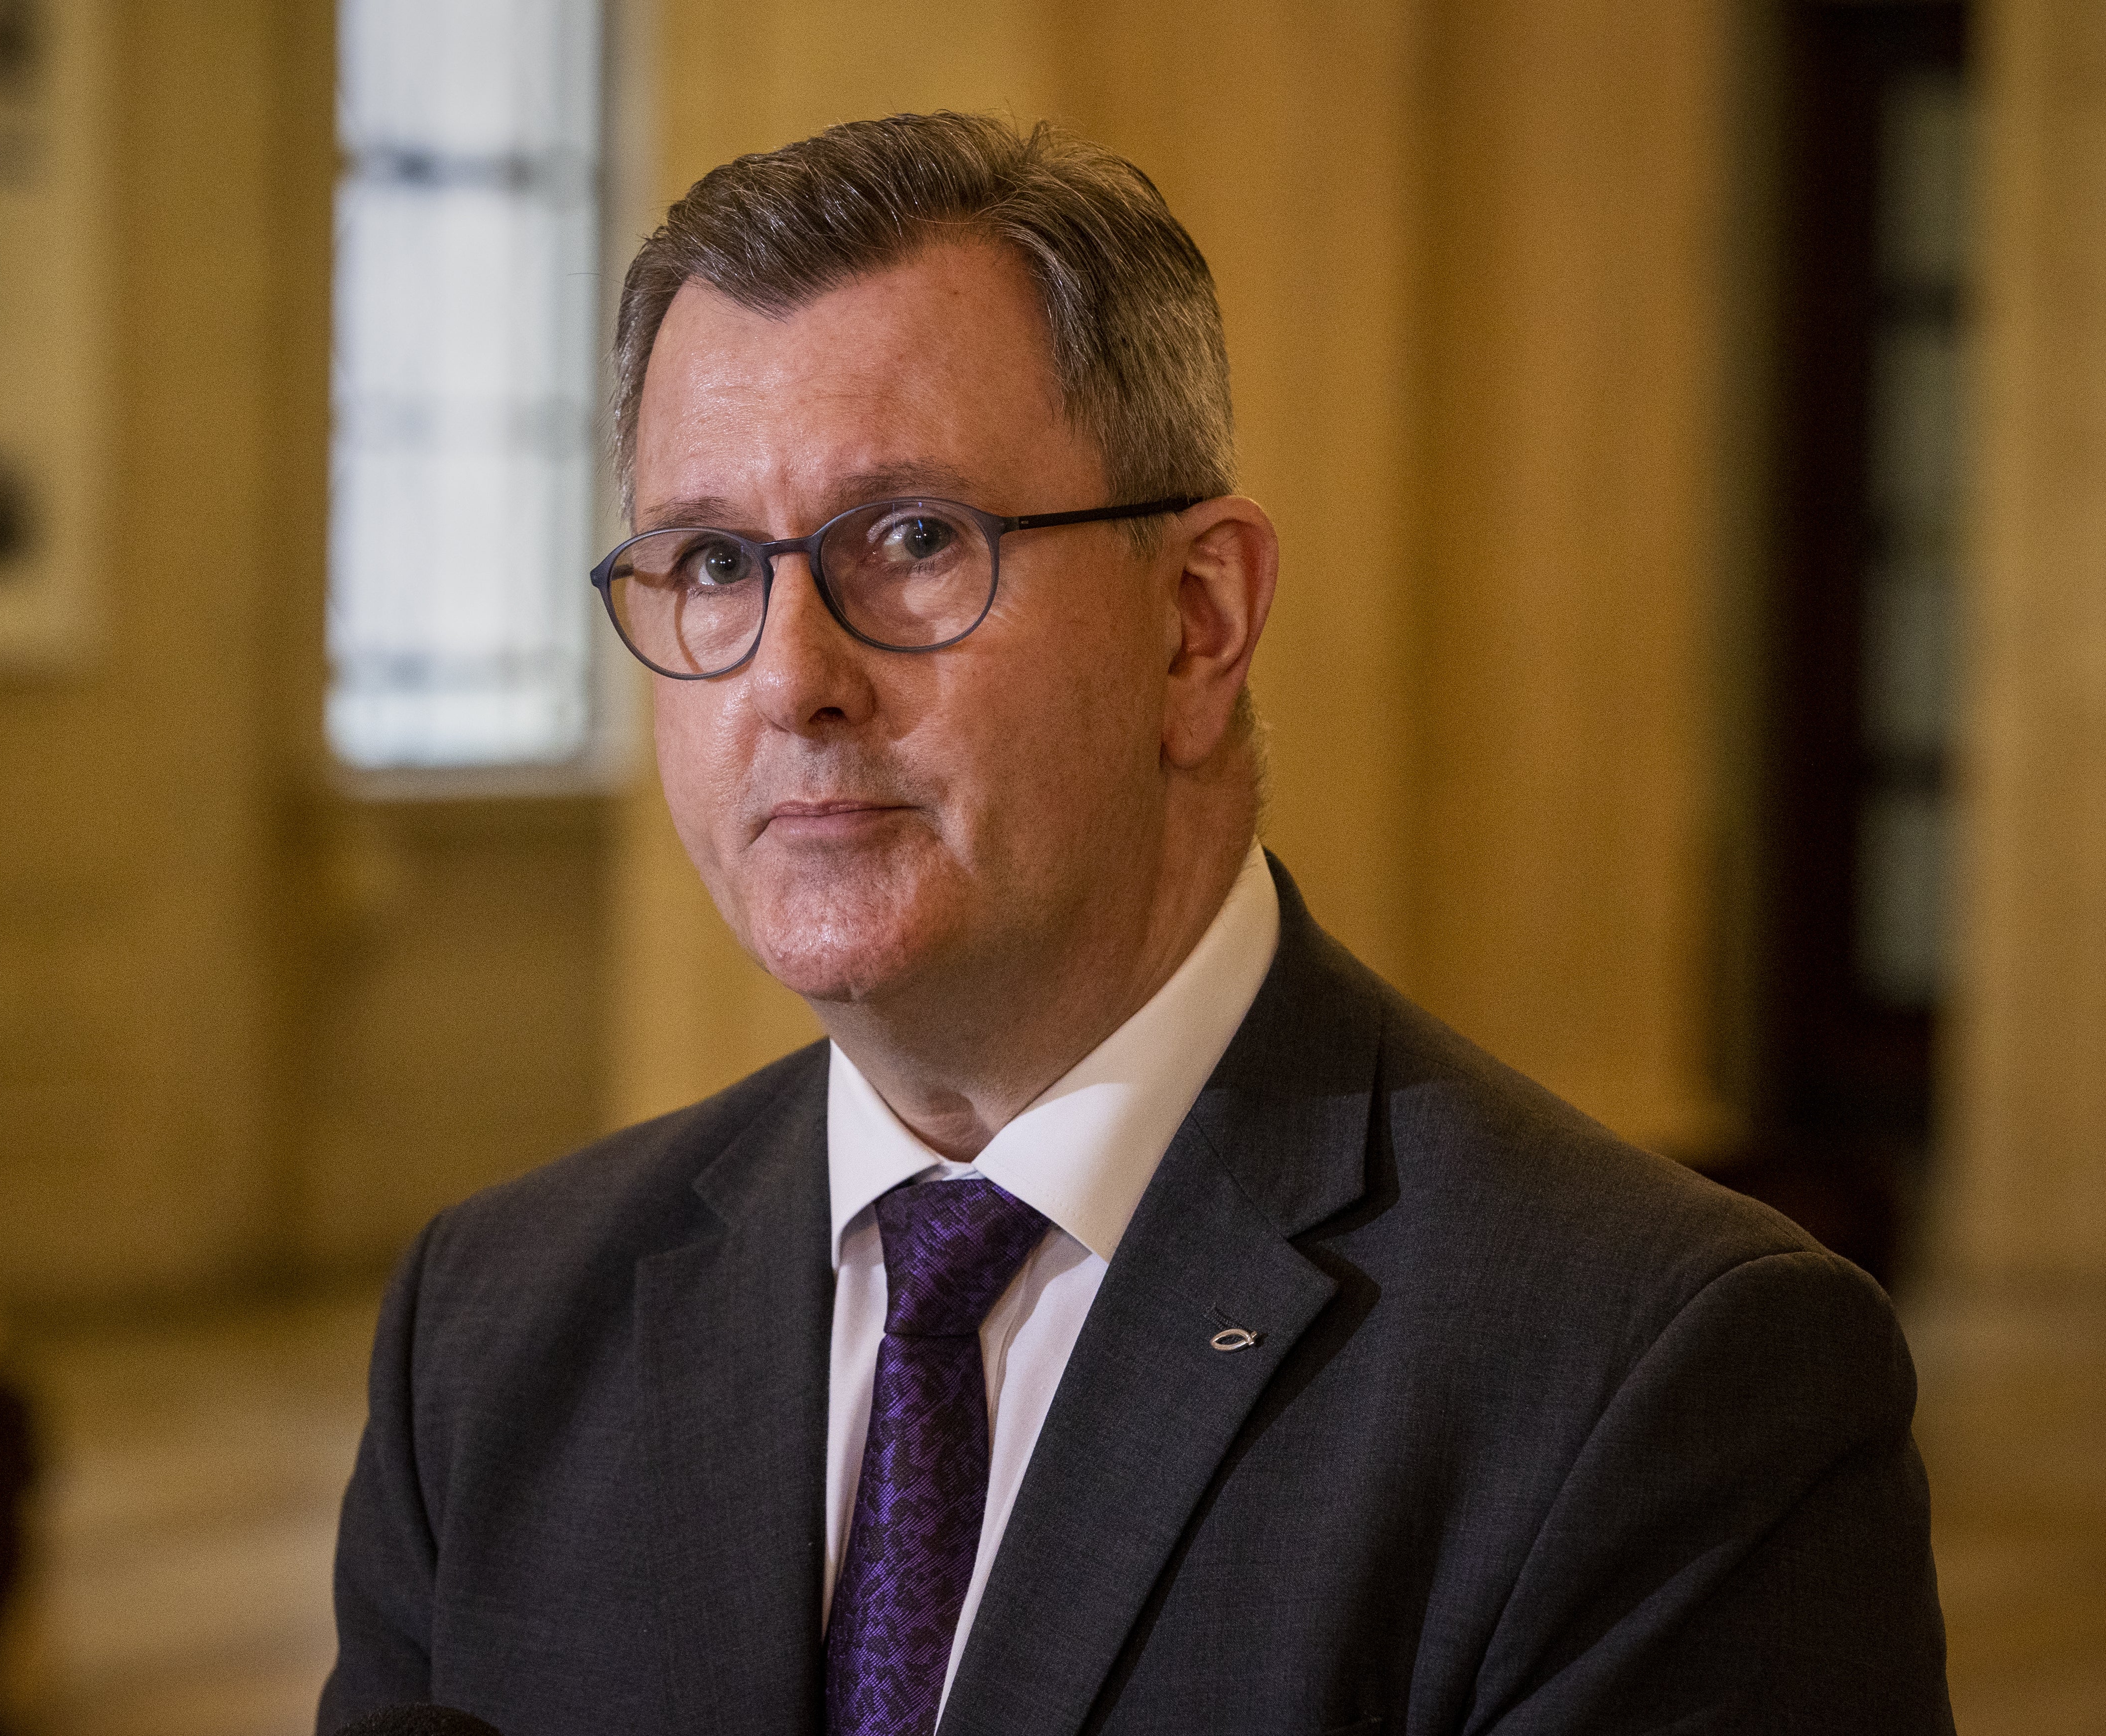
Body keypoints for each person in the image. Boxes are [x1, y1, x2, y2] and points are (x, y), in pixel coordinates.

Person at [319, 113, 1951, 1736]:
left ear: (1197, 623)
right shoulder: (491, 1321)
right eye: (711, 560)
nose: (788, 677)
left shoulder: (1663, 1376)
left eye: (911, 542)